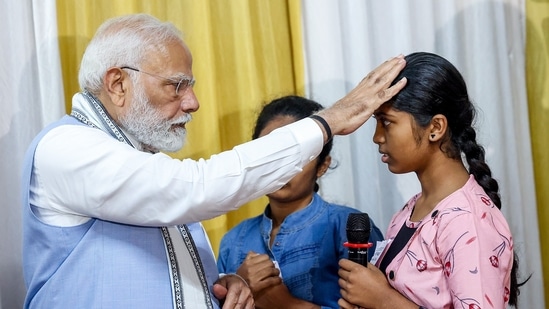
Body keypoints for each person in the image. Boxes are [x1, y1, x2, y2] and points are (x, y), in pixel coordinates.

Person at [20, 13, 407, 309]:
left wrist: (218, 284)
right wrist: (325, 123)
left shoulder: (137, 159)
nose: (192, 103)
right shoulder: (67, 147)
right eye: (176, 85)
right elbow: (196, 187)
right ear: (118, 83)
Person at [337, 52, 527, 309]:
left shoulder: (467, 221)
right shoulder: (410, 211)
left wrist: (383, 300)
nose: (377, 137)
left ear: (436, 128)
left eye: (387, 122)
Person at [217, 95, 384, 309]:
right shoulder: (233, 242)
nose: (281, 167)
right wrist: (237, 284)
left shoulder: (348, 228)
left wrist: (286, 305)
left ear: (323, 165)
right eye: (270, 153)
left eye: (297, 155)